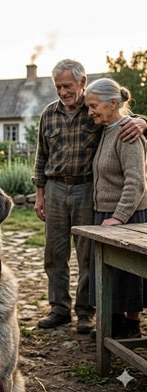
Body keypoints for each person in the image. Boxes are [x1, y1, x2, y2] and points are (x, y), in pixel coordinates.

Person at [33, 59, 147, 334]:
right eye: (58, 87)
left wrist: (143, 122)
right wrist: (40, 194)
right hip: (55, 187)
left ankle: (85, 312)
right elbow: (41, 156)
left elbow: (124, 119)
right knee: (54, 254)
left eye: (68, 86)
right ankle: (58, 309)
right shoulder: (49, 114)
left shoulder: (94, 109)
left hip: (87, 189)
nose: (62, 92)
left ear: (82, 83)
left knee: (88, 254)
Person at [85, 77, 147, 339]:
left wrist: (119, 217)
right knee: (112, 275)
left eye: (93, 106)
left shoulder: (127, 134)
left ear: (112, 104)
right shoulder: (108, 130)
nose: (90, 112)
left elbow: (136, 182)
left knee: (129, 278)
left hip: (127, 215)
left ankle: (131, 327)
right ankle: (115, 325)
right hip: (108, 214)